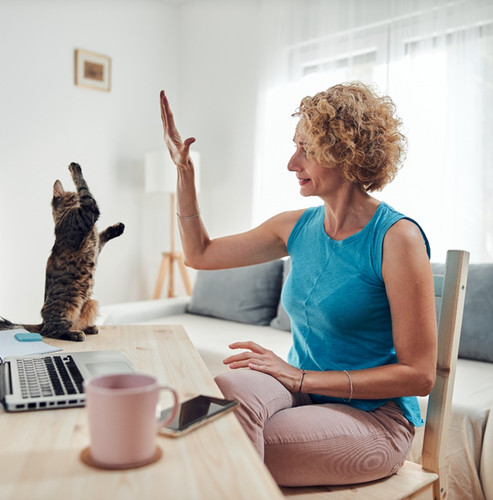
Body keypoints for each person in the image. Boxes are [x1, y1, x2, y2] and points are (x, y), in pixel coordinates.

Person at [159, 82, 438, 487]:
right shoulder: (296, 227)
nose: (292, 163)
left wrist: (300, 378)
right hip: (305, 393)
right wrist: (184, 174)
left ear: (345, 152)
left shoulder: (397, 239)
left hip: (375, 418)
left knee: (220, 434)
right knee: (225, 390)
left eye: (306, 150)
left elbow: (419, 375)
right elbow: (200, 254)